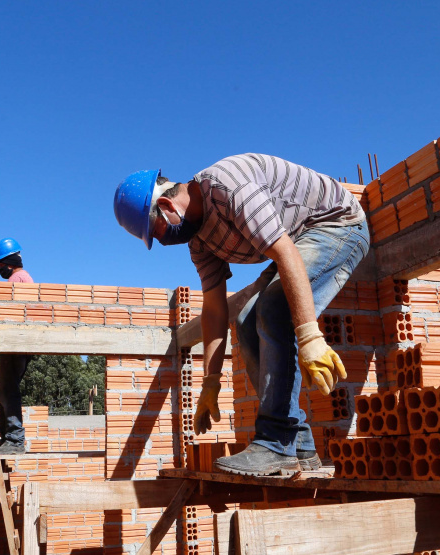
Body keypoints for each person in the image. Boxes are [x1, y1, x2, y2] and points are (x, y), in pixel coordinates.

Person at [113, 154, 369, 476]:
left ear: (166, 205)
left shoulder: (227, 187)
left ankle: (277, 442)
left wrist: (309, 335)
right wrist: (210, 382)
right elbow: (215, 309)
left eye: (157, 231)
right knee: (247, 319)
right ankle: (298, 443)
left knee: (274, 308)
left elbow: (284, 251)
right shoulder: (199, 241)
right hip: (299, 241)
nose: (162, 241)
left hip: (337, 226)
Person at [0, 237, 33, 455]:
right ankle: (8, 437)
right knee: (2, 391)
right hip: (14, 341)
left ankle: (14, 440)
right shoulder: (19, 277)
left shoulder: (19, 279)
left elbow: (15, 312)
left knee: (8, 390)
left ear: (9, 261)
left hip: (16, 341)